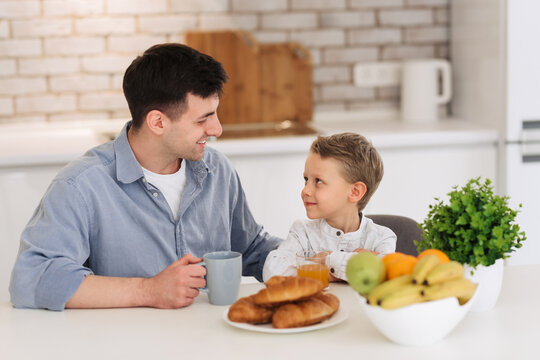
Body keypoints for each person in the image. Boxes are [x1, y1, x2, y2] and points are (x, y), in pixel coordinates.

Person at [9, 43, 282, 311]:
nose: (217, 129)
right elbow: (32, 277)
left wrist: (311, 259)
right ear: (157, 122)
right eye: (203, 119)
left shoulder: (217, 169)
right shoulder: (81, 186)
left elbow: (250, 249)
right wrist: (148, 290)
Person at [263, 132, 396, 282]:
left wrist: (328, 259)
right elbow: (273, 271)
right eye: (306, 179)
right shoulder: (302, 232)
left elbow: (385, 273)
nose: (305, 190)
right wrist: (354, 266)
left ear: (354, 192)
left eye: (318, 181)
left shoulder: (382, 238)